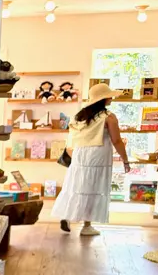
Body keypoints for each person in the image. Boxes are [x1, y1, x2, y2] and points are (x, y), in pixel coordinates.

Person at [52, 83, 129, 236]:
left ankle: (66, 215)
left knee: (76, 185)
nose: (111, 98)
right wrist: (126, 160)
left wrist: (74, 156)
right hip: (98, 154)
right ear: (104, 98)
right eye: (109, 96)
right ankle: (87, 226)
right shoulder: (108, 117)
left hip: (80, 153)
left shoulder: (80, 116)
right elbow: (117, 141)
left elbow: (72, 140)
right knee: (92, 188)